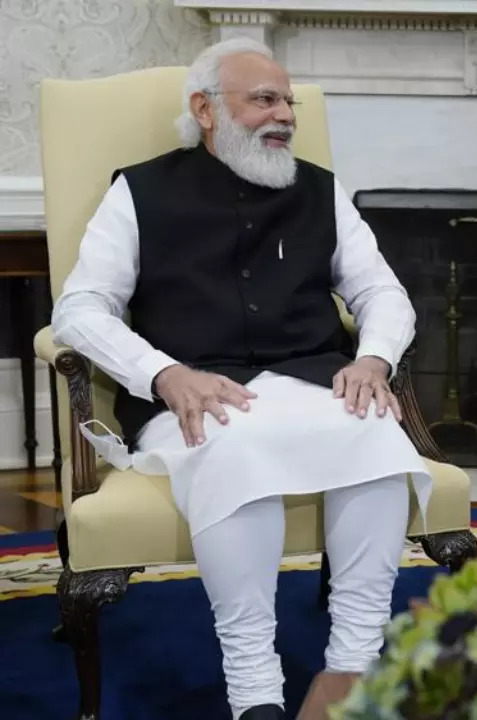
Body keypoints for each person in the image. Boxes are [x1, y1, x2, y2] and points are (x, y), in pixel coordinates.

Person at [51, 38, 432, 720]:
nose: (284, 113)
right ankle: (255, 690)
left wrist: (373, 358)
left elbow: (384, 291)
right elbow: (80, 308)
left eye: (288, 101)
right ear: (204, 109)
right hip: (197, 394)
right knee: (234, 445)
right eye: (265, 99)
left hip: (316, 380)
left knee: (378, 434)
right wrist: (164, 373)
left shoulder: (321, 190)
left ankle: (351, 668)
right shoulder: (137, 191)